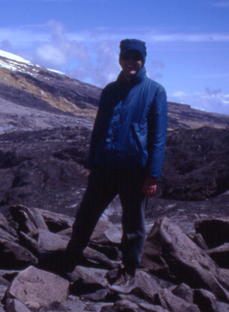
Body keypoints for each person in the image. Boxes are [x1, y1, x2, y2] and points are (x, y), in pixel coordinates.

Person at [63, 39, 167, 292]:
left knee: (133, 224)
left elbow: (158, 137)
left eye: (136, 57)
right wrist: (92, 162)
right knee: (85, 217)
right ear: (120, 59)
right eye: (127, 56)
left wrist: (153, 175)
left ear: (143, 60)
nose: (131, 61)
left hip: (135, 171)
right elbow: (99, 129)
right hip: (104, 168)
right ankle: (67, 262)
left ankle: (129, 272)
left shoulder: (155, 91)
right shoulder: (109, 90)